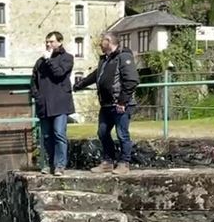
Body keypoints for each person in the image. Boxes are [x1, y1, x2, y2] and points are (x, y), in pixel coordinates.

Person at [73, 33, 139, 173]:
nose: (99, 44)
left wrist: (122, 101)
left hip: (120, 104)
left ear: (108, 42)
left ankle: (124, 163)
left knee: (122, 134)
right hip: (106, 104)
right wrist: (79, 85)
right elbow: (95, 76)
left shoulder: (124, 57)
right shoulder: (105, 60)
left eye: (101, 41)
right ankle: (108, 162)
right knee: (102, 133)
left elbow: (132, 80)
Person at [30, 31, 74, 175]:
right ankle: (48, 164)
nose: (48, 44)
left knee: (59, 133)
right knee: (46, 136)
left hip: (60, 103)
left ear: (60, 42)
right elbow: (34, 81)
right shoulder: (40, 61)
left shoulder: (67, 58)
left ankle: (60, 165)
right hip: (44, 104)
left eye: (51, 41)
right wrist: (37, 96)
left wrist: (49, 60)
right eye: (47, 42)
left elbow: (59, 73)